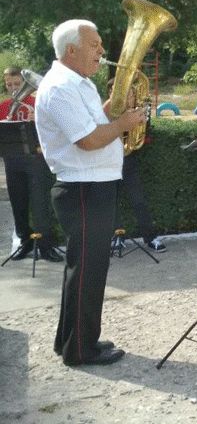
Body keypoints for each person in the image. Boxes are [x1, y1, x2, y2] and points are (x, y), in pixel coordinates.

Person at [35, 19, 146, 366]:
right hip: (83, 187)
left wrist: (112, 107)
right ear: (72, 50)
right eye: (95, 45)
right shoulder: (61, 87)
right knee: (87, 271)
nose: (101, 51)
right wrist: (125, 124)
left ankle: (71, 341)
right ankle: (81, 350)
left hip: (91, 185)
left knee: (85, 269)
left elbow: (92, 126)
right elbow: (89, 140)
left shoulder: (76, 83)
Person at [0, 67, 62, 262]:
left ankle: (45, 246)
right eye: (9, 85)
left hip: (36, 160)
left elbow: (57, 130)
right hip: (12, 161)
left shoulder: (38, 104)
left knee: (40, 204)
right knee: (18, 203)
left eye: (18, 84)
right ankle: (24, 243)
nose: (14, 89)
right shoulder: (3, 106)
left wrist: (40, 120)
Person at [105, 79, 165, 253]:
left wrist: (141, 121)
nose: (126, 99)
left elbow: (145, 138)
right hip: (109, 162)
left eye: (130, 95)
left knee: (139, 200)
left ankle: (150, 236)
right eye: (121, 95)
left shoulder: (137, 113)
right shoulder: (105, 114)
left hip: (129, 160)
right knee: (112, 202)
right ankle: (117, 237)